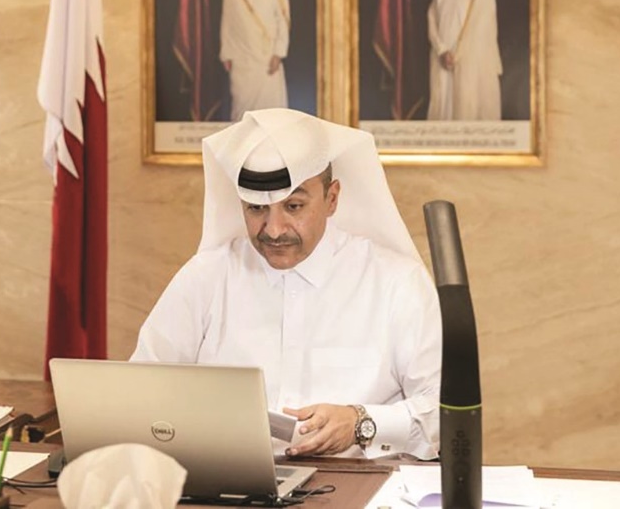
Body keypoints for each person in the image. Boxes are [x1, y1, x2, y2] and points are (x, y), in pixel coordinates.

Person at [131, 108, 441, 459]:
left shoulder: (396, 282)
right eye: (256, 209)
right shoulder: (206, 277)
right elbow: (141, 390)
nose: (274, 230)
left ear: (332, 198)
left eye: (293, 206)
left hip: (362, 481)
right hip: (228, 477)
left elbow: (444, 412)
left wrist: (361, 422)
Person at [426, 0, 503, 121]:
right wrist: (442, 51)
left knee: (468, 107)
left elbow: (481, 27)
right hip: (443, 59)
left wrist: (457, 55)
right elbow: (431, 21)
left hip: (471, 61)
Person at [219, 0, 291, 121]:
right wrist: (226, 54)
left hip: (267, 60)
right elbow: (227, 23)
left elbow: (283, 20)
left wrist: (278, 53)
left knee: (271, 114)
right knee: (241, 115)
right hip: (242, 62)